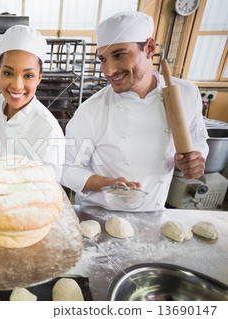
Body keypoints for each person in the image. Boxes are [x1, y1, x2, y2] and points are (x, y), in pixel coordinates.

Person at [61, 12, 209, 211]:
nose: (108, 71)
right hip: (99, 215)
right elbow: (67, 169)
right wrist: (110, 184)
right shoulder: (92, 110)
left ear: (149, 48)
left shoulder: (186, 94)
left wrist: (198, 157)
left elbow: (198, 137)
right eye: (103, 59)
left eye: (119, 55)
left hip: (154, 213)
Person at [0, 25, 65, 181]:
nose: (17, 85)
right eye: (8, 73)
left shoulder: (49, 131)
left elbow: (47, 191)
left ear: (39, 77)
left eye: (28, 75)